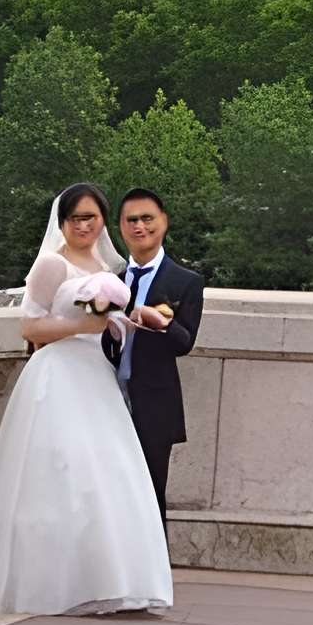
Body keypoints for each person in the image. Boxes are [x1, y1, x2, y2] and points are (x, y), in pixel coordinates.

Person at [0, 183, 174, 617]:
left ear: (103, 221)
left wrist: (130, 319)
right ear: (63, 222)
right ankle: (49, 583)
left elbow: (115, 322)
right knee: (60, 470)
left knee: (107, 474)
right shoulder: (52, 264)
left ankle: (106, 579)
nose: (83, 226)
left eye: (91, 218)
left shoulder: (113, 266)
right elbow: (30, 329)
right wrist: (80, 326)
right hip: (57, 374)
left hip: (96, 376)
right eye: (75, 219)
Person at [103, 189, 205, 515]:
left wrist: (159, 322)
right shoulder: (108, 280)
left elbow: (184, 343)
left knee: (149, 497)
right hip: (104, 401)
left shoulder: (186, 281)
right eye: (131, 220)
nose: (140, 227)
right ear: (120, 227)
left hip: (154, 407)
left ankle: (155, 567)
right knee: (106, 496)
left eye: (147, 218)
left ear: (164, 221)